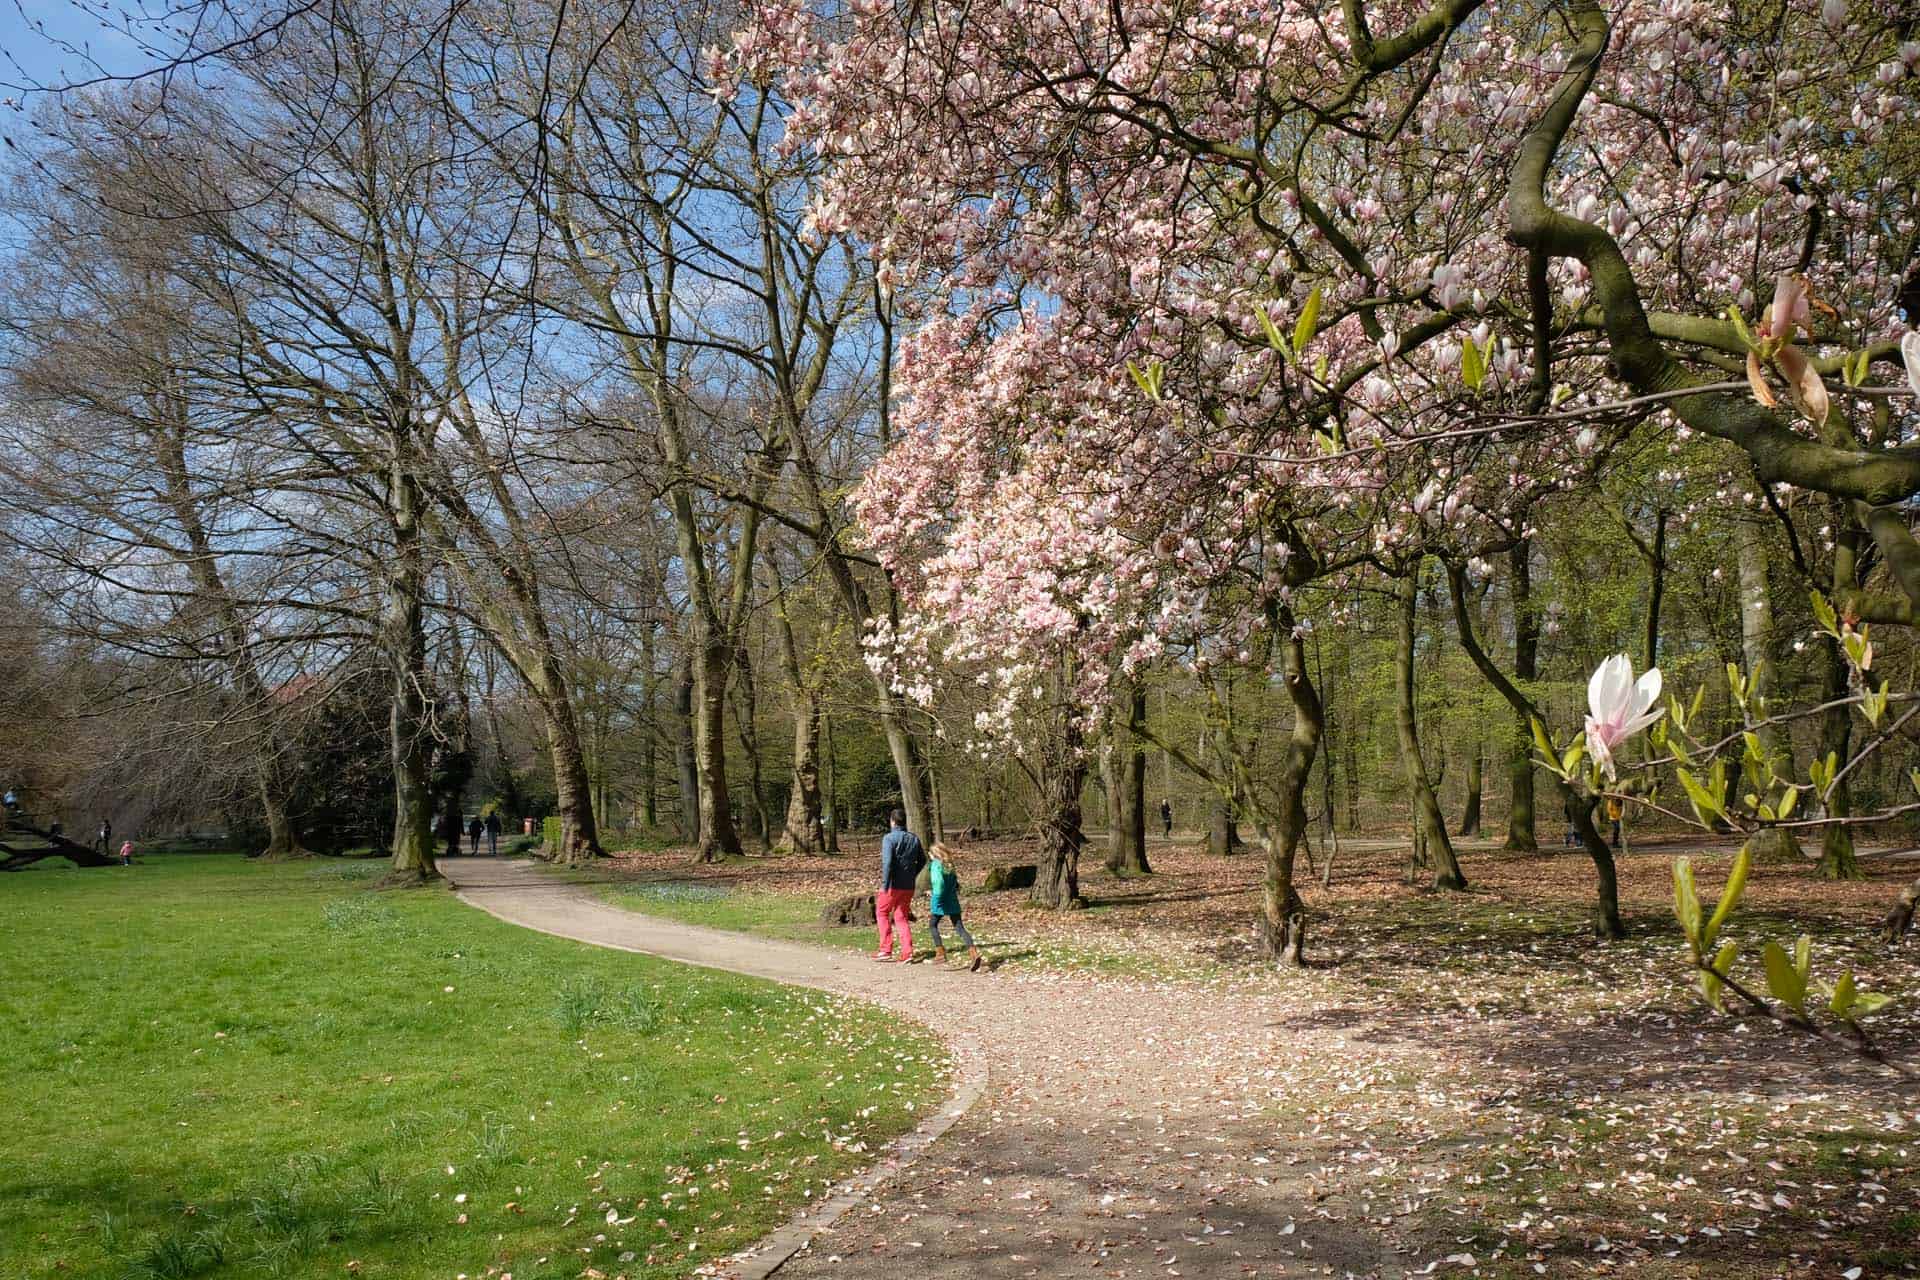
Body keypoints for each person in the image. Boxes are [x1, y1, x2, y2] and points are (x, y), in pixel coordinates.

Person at [872, 808, 925, 963]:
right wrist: (912, 874)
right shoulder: (914, 838)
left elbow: (887, 863)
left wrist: (885, 884)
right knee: (901, 917)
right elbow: (922, 860)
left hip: (892, 885)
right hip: (908, 885)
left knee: (882, 913)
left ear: (892, 821)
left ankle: (885, 949)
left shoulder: (889, 838)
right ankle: (907, 952)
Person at [926, 843, 983, 971]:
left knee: (933, 925)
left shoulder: (936, 865)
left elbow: (939, 883)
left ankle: (940, 953)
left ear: (934, 854)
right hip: (952, 899)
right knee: (960, 928)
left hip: (940, 900)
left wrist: (935, 894)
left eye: (930, 853)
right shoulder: (950, 866)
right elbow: (956, 885)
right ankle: (973, 953)